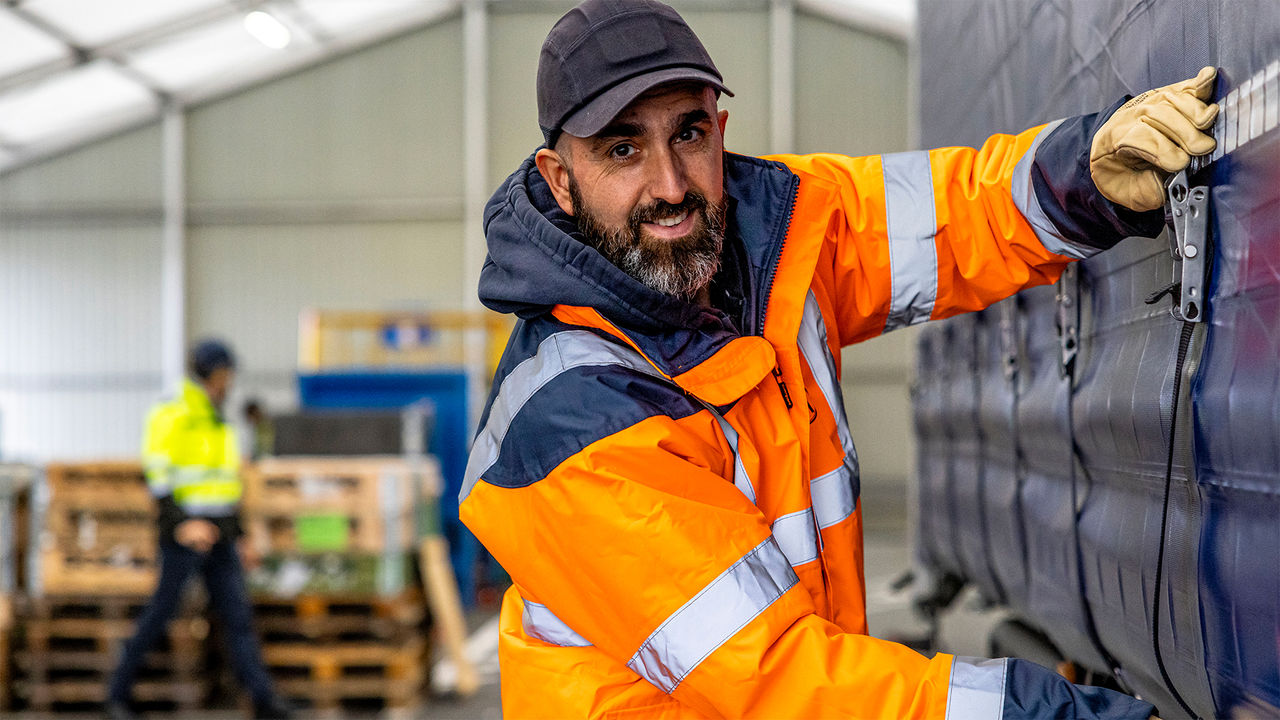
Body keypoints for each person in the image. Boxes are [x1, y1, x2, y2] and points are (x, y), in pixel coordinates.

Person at [459, 0, 1217, 717]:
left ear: (720, 130)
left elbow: (953, 215)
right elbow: (791, 682)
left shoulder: (773, 235)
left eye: (688, 134)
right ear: (560, 179)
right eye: (622, 149)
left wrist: (1085, 175)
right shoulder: (577, 425)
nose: (670, 186)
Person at [107, 340, 292, 720]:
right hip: (185, 534)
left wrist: (240, 536)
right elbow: (157, 476)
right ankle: (116, 696)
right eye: (226, 374)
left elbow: (226, 485)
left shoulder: (218, 418)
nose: (230, 382)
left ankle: (263, 700)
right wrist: (182, 524)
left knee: (238, 617)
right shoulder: (174, 411)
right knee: (160, 613)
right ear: (212, 373)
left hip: (221, 534)